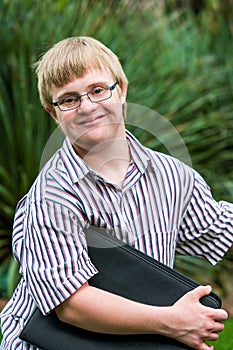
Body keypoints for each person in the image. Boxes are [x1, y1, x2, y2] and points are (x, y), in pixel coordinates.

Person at [1, 36, 232, 350]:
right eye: (69, 99)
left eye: (98, 90)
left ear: (121, 90)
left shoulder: (172, 176)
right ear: (53, 113)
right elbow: (71, 305)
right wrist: (172, 321)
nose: (87, 107)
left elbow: (217, 229)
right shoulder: (49, 197)